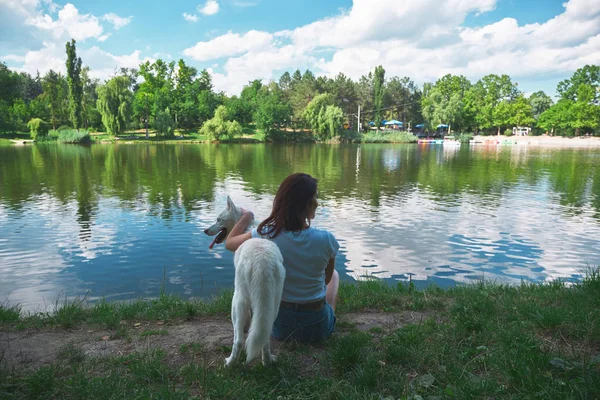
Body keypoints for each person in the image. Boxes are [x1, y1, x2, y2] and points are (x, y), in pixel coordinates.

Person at [225, 173, 340, 343]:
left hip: (278, 326)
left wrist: (246, 217)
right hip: (317, 327)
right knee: (335, 276)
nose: (318, 202)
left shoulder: (267, 233)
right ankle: (330, 314)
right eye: (315, 197)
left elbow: (230, 243)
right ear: (306, 204)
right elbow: (326, 279)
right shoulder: (326, 239)